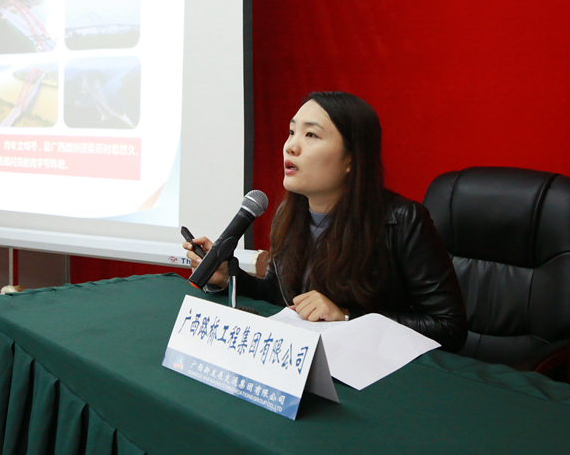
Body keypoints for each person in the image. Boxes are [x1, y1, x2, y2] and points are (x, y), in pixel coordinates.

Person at [185, 91, 467, 352]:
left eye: (311, 135)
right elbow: (282, 296)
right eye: (292, 132)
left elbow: (449, 329)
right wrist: (228, 277)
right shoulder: (287, 215)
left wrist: (347, 317)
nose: (291, 146)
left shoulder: (403, 221)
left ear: (351, 159)